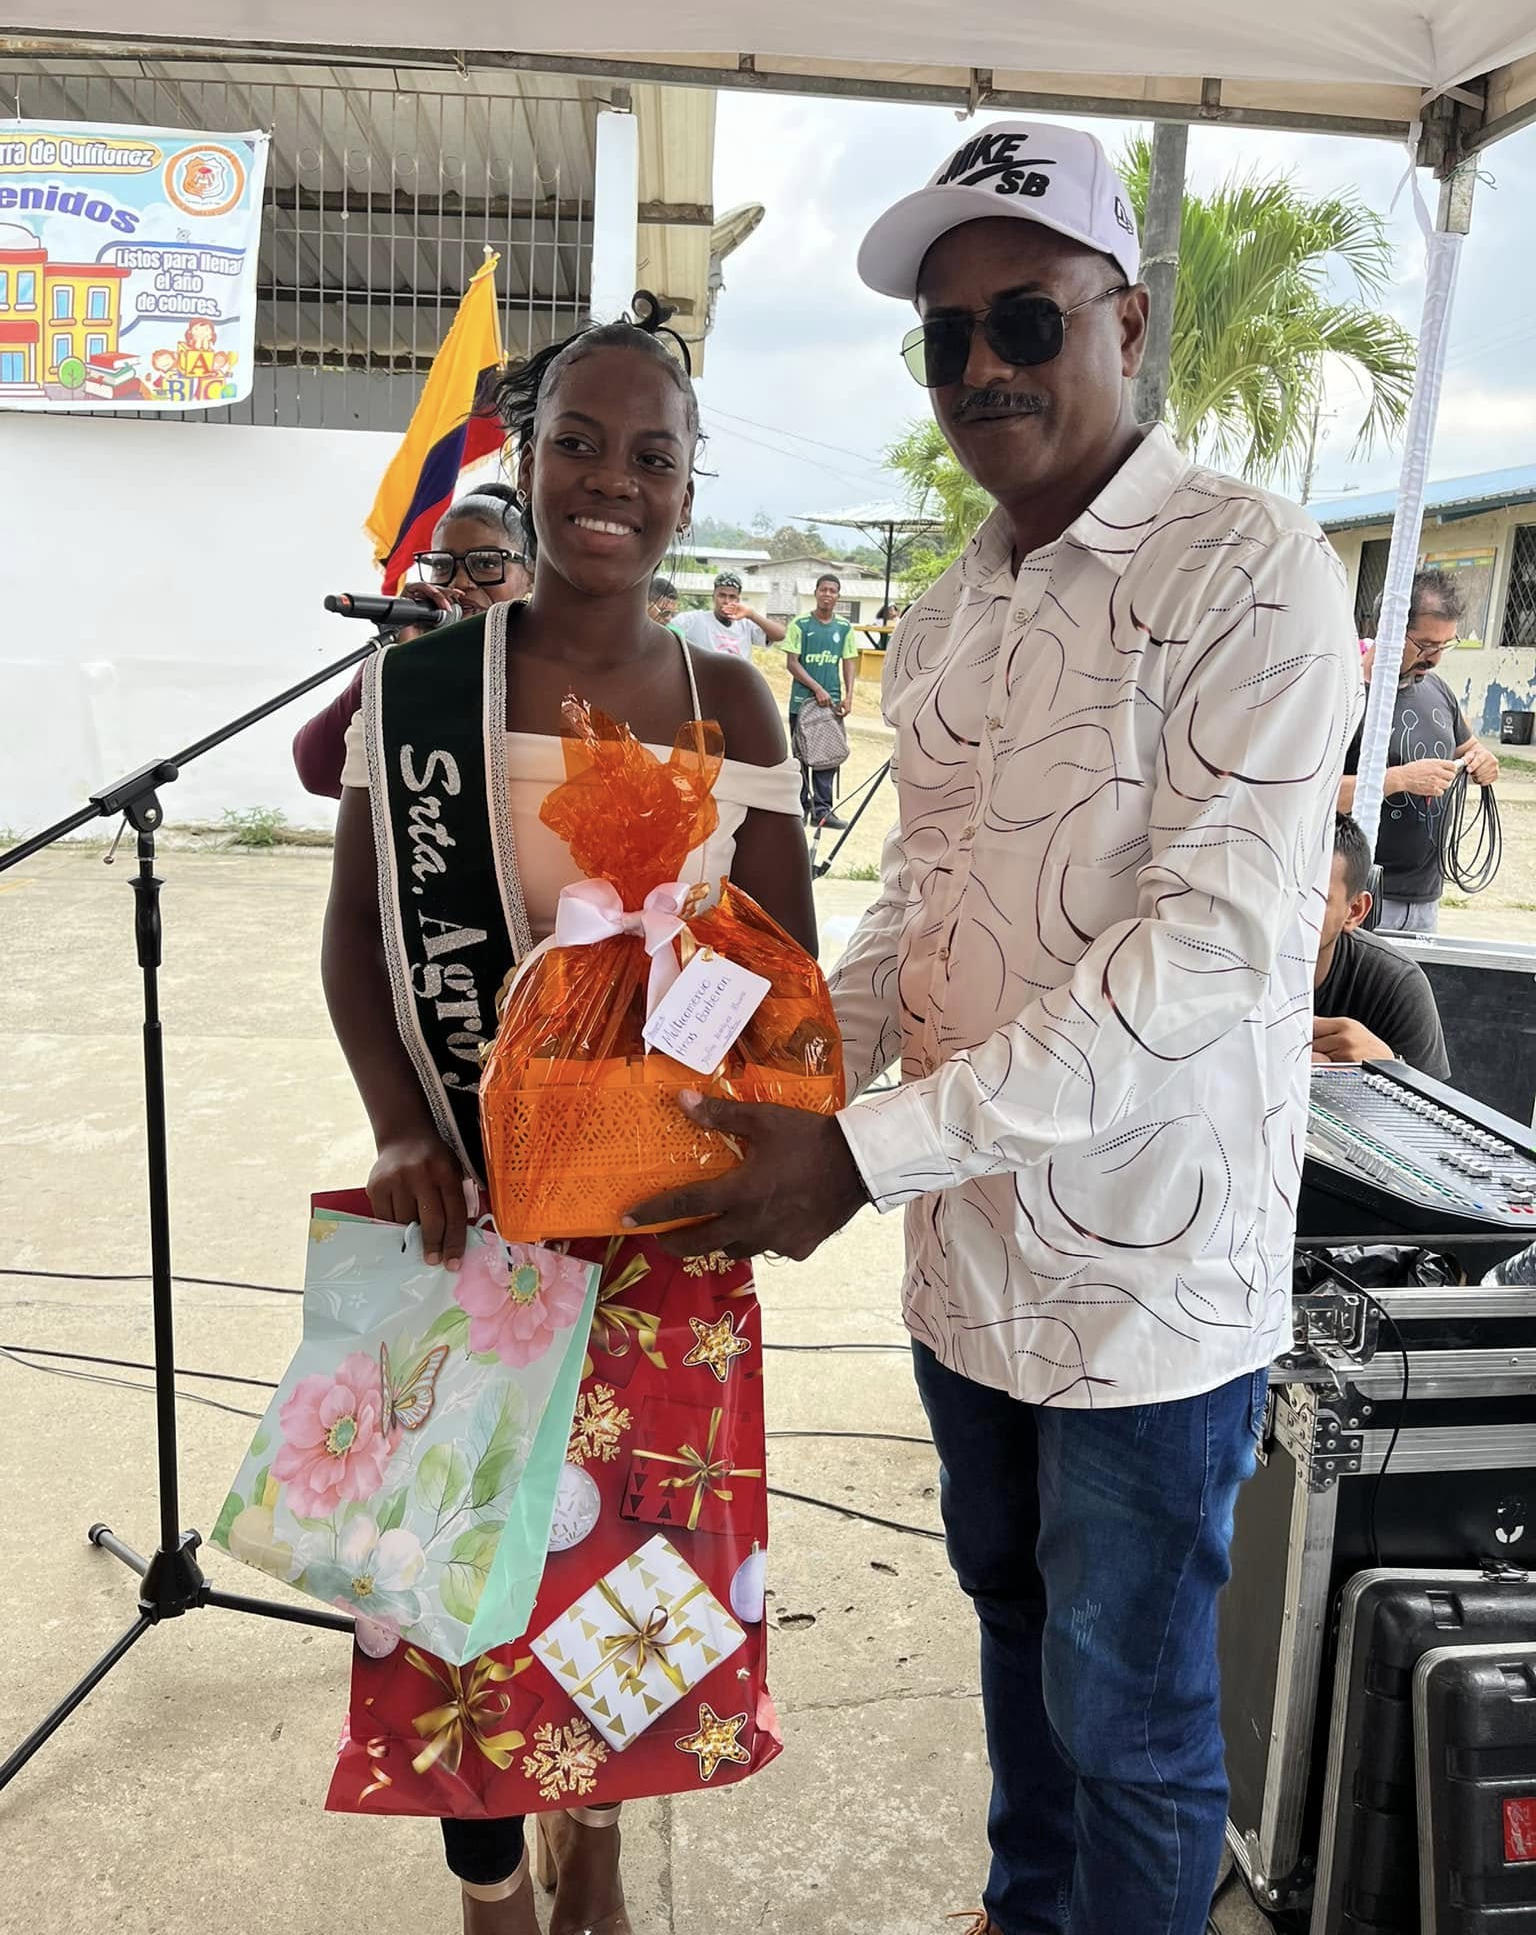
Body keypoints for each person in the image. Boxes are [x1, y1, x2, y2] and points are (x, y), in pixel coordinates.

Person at [629, 119, 1360, 1935]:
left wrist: (855, 1153)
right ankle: (1026, 1909)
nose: (981, 370)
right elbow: (919, 901)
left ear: (1128, 321)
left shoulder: (1249, 567)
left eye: (1024, 320)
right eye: (944, 338)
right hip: (967, 1259)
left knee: (1132, 1715)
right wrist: (788, 1074)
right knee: (1018, 1628)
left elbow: (1208, 951)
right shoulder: (955, 604)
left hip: (1143, 1286)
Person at [320, 294, 812, 1935]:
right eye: (580, 443)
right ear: (526, 461)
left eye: (651, 455)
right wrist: (401, 1125)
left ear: (689, 487)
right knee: (448, 1579)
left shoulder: (732, 701)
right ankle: (489, 1884)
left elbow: (786, 963)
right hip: (466, 1213)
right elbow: (354, 940)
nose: (613, 480)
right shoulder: (422, 693)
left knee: (633, 1575)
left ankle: (594, 1830)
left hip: (659, 1228)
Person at [292, 487, 532, 799]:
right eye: (442, 565)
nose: (460, 582)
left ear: (532, 573)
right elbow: (318, 771)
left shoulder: (552, 661)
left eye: (486, 563)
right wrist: (402, 660)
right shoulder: (410, 661)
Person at [1337, 567, 1499, 932]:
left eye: (1444, 645)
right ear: (1389, 629)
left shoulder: (1438, 690)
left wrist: (1483, 761)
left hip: (1426, 899)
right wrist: (1398, 779)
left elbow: (1470, 747)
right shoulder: (1344, 695)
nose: (1434, 658)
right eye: (1425, 645)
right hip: (1358, 898)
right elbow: (1314, 797)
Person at [1313, 811, 1449, 1075]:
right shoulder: (1226, 968)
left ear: (1355, 911)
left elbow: (1431, 1098)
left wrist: (1389, 1066)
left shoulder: (1395, 984)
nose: (1286, 911)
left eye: (1313, 898)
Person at [785, 573, 858, 827]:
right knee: (801, 755)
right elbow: (792, 663)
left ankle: (823, 812)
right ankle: (800, 808)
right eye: (823, 589)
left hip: (831, 704)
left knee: (828, 755)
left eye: (832, 590)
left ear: (838, 596)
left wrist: (849, 696)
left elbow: (849, 661)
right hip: (802, 703)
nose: (827, 594)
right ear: (816, 592)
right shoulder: (800, 624)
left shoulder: (844, 628)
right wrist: (816, 688)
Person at [670, 568, 786, 656]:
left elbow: (780, 635)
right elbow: (666, 628)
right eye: (722, 595)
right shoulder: (694, 620)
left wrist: (752, 615)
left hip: (739, 679)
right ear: (713, 597)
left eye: (732, 597)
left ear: (738, 600)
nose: (726, 601)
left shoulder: (745, 624)